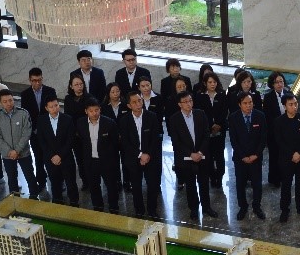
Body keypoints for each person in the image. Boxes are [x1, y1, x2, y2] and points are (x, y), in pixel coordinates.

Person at [166, 89, 218, 219]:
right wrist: (191, 154)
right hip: (186, 158)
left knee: (204, 183)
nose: (189, 103)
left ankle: (207, 207)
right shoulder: (174, 119)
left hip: (202, 155)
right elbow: (176, 142)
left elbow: (206, 134)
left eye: (190, 100)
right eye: (185, 102)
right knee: (190, 185)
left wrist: (200, 152)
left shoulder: (200, 114)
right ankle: (194, 208)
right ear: (179, 104)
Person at [119, 90, 163, 218]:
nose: (138, 104)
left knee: (153, 185)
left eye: (139, 100)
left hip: (151, 157)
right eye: (134, 102)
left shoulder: (152, 116)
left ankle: (152, 210)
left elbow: (155, 138)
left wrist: (147, 154)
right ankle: (139, 210)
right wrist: (140, 155)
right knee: (136, 186)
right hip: (133, 158)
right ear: (129, 105)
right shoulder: (124, 120)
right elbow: (125, 143)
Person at [76, 99, 121, 213]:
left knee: (111, 186)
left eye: (96, 110)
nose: (94, 113)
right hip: (90, 161)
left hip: (107, 161)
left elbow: (116, 144)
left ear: (100, 109)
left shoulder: (109, 123)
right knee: (94, 187)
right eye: (91, 111)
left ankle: (114, 209)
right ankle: (98, 208)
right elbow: (79, 142)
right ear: (86, 111)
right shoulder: (80, 123)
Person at [273, 94, 300, 222]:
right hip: (286, 159)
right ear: (284, 106)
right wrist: (292, 154)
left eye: (295, 104)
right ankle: (285, 210)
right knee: (286, 185)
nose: (294, 106)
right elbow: (279, 141)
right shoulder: (278, 121)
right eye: (290, 104)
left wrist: (299, 153)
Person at [35, 95, 79, 205]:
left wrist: (60, 156)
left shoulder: (67, 119)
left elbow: (70, 140)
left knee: (71, 183)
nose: (55, 109)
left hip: (66, 158)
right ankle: (57, 204)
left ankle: (74, 203)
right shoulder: (41, 120)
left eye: (56, 105)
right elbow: (42, 141)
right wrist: (52, 156)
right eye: (51, 107)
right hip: (50, 159)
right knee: (55, 184)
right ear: (46, 108)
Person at [229, 92, 268, 219]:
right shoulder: (233, 117)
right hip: (240, 158)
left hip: (256, 158)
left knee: (257, 184)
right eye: (245, 103)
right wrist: (243, 156)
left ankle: (257, 207)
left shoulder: (260, 115)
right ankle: (243, 207)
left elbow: (263, 138)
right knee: (240, 184)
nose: (248, 105)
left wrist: (256, 155)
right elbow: (233, 140)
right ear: (239, 104)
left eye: (250, 102)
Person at [20, 67, 56, 196]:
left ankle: (57, 181)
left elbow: (54, 111)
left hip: (49, 131)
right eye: (34, 80)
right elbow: (26, 114)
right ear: (30, 80)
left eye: (39, 80)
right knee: (38, 158)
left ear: (42, 78)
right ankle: (41, 182)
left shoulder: (50, 91)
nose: (37, 83)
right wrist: (34, 129)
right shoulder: (25, 94)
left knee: (52, 156)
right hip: (35, 133)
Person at [0, 90, 36, 195]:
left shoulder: (23, 113)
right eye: (5, 101)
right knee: (12, 178)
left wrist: (17, 150)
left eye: (10, 100)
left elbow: (27, 133)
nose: (9, 103)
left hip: (24, 152)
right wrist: (9, 151)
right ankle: (15, 200)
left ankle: (34, 196)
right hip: (7, 155)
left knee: (30, 176)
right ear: (0, 102)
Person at [195, 72, 229, 187]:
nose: (213, 84)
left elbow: (224, 111)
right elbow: (200, 113)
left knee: (219, 155)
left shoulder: (222, 94)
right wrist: (210, 125)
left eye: (214, 82)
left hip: (220, 129)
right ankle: (212, 177)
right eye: (210, 82)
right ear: (205, 83)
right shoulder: (200, 96)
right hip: (206, 131)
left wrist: (218, 124)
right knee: (208, 156)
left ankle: (219, 177)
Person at [262, 72, 288, 187]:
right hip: (274, 131)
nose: (279, 84)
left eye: (281, 81)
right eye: (276, 82)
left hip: (287, 132)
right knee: (274, 156)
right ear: (272, 84)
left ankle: (285, 177)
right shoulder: (268, 97)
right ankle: (274, 178)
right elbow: (268, 117)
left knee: (285, 156)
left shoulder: (289, 94)